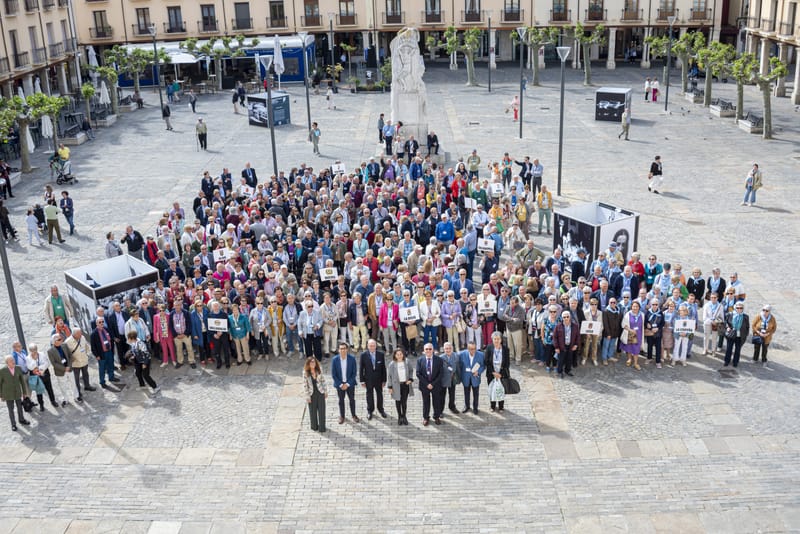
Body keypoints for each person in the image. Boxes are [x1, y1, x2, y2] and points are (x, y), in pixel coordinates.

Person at [63, 328, 96, 400]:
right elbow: (65, 354)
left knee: (86, 374)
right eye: (79, 334)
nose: (80, 335)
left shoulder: (82, 337)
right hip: (75, 364)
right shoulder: (67, 342)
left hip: (84, 360)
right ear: (74, 334)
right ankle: (78, 392)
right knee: (76, 379)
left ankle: (87, 386)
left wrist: (87, 354)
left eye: (80, 333)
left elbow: (86, 346)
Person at [331, 342, 359, 424]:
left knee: (352, 400)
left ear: (347, 349)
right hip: (339, 384)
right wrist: (341, 384)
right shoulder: (335, 360)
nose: (342, 350)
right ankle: (342, 416)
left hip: (350, 384)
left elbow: (354, 373)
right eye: (341, 349)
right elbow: (333, 374)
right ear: (338, 350)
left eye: (344, 348)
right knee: (341, 400)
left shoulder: (352, 359)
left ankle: (354, 415)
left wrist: (347, 384)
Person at [359, 339, 387, 420]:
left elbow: (383, 368)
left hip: (379, 379)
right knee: (369, 395)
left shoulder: (380, 354)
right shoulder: (363, 355)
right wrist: (362, 381)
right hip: (368, 379)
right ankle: (370, 410)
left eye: (373, 346)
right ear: (367, 346)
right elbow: (361, 369)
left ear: (376, 346)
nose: (372, 347)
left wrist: (384, 380)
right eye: (370, 346)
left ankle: (381, 409)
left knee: (380, 395)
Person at [0, 355, 30, 431]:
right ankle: (13, 424)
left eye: (13, 360)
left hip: (17, 392)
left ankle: (22, 419)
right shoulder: (2, 371)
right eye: (11, 361)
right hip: (8, 394)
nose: (13, 361)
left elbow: (22, 381)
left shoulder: (18, 368)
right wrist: (1, 395)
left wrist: (24, 392)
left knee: (20, 407)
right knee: (11, 409)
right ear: (7, 363)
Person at [416, 343, 443, 425]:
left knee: (436, 402)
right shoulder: (420, 360)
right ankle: (425, 417)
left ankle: (437, 417)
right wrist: (427, 384)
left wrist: (433, 384)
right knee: (426, 402)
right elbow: (418, 373)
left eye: (430, 349)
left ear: (433, 350)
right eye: (426, 349)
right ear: (424, 351)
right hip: (424, 385)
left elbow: (441, 374)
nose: (428, 351)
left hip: (436, 385)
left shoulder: (439, 360)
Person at [25, 344, 58, 410]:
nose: (34, 352)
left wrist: (39, 368)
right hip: (36, 376)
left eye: (35, 350)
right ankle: (41, 404)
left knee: (49, 388)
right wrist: (34, 360)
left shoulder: (42, 354)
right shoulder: (28, 358)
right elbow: (30, 367)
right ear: (30, 351)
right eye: (32, 351)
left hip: (45, 373)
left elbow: (47, 363)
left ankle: (53, 401)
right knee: (39, 391)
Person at [387, 348, 414, 426]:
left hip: (405, 385)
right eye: (397, 354)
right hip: (396, 386)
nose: (399, 356)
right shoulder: (392, 364)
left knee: (404, 402)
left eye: (401, 354)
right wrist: (390, 387)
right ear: (395, 355)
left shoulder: (407, 362)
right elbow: (389, 376)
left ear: (403, 354)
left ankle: (404, 416)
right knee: (398, 401)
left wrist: (410, 379)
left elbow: (411, 371)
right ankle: (399, 416)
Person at [90, 317, 118, 389]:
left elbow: (110, 339)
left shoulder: (106, 329)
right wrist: (97, 355)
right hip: (101, 353)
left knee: (111, 365)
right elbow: (93, 347)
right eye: (99, 322)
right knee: (102, 368)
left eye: (102, 321)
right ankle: (102, 382)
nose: (101, 323)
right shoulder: (93, 333)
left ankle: (111, 377)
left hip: (109, 351)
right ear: (96, 323)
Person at [485, 331, 510, 411]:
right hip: (491, 373)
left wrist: (500, 374)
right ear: (492, 340)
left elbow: (507, 363)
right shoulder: (489, 348)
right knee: (492, 389)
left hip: (501, 373)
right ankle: (492, 406)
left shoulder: (505, 349)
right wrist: (493, 372)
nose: (496, 341)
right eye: (495, 339)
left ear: (501, 340)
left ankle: (501, 406)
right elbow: (486, 362)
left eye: (498, 339)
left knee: (501, 390)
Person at [303, 357, 327, 432]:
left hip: (320, 393)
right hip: (311, 394)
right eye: (311, 362)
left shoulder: (319, 370)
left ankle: (322, 427)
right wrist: (307, 396)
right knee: (312, 411)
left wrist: (325, 391)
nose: (313, 363)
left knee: (322, 410)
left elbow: (323, 381)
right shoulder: (305, 372)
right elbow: (305, 385)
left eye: (314, 362)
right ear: (308, 364)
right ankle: (314, 426)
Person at [723, 302, 749, 368]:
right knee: (729, 349)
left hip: (740, 336)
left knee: (737, 350)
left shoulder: (745, 316)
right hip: (731, 335)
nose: (739, 309)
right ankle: (727, 361)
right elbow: (725, 323)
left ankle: (735, 362)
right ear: (735, 308)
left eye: (741, 308)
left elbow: (747, 326)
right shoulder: (730, 314)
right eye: (738, 308)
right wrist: (727, 328)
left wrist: (746, 334)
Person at [620, 300, 644, 370]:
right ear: (631, 307)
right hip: (630, 334)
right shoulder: (628, 314)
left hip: (638, 334)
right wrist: (631, 330)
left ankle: (636, 363)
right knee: (629, 347)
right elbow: (623, 325)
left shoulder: (642, 315)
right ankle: (629, 359)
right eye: (633, 306)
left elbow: (643, 324)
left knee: (636, 349)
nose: (635, 308)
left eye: (636, 306)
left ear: (639, 307)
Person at [438, 342, 461, 415]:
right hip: (444, 379)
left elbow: (458, 367)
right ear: (444, 349)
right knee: (442, 395)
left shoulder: (456, 356)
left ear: (452, 349)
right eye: (446, 349)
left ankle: (452, 407)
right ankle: (440, 410)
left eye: (449, 348)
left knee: (452, 394)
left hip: (452, 378)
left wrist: (459, 377)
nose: (448, 350)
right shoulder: (441, 358)